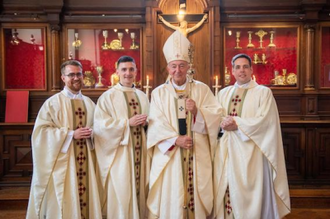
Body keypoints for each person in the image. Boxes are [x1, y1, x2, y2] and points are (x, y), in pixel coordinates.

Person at [147, 30, 222, 219]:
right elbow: (156, 124)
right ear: (168, 67)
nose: (178, 70)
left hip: (196, 151)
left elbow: (216, 117)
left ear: (188, 66)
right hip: (170, 154)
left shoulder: (202, 89)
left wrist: (198, 112)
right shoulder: (159, 93)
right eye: (173, 66)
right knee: (172, 193)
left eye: (181, 65)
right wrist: (175, 140)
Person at [213, 53, 291, 219]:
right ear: (232, 71)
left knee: (252, 193)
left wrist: (237, 124)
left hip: (253, 154)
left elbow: (265, 121)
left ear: (251, 69)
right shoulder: (223, 93)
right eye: (238, 67)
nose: (242, 71)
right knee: (228, 187)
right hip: (227, 151)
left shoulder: (263, 93)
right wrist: (222, 123)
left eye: (245, 67)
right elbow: (215, 117)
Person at [26, 60, 102, 219]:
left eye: (79, 74)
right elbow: (41, 132)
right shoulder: (52, 103)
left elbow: (100, 129)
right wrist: (70, 135)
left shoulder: (89, 104)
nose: (76, 78)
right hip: (64, 164)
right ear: (63, 78)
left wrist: (93, 132)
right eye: (71, 74)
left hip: (86, 162)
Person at [93, 56, 149, 219]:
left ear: (136, 72)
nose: (128, 73)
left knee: (140, 189)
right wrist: (126, 123)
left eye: (131, 69)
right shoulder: (108, 97)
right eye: (124, 69)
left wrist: (146, 123)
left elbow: (151, 122)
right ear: (117, 72)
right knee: (122, 190)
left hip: (141, 153)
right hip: (120, 155)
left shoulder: (142, 96)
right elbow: (100, 126)